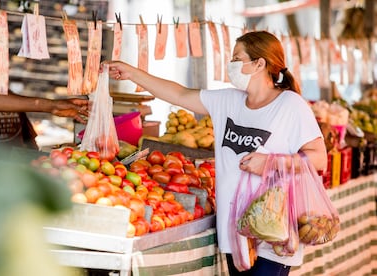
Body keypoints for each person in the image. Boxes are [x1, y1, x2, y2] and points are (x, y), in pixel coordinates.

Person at [104, 30, 327, 276]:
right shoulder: (228, 101)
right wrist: (132, 72)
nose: (231, 66)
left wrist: (271, 162)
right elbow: (178, 94)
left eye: (236, 59)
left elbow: (319, 158)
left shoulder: (291, 106)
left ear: (259, 63)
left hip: (272, 233)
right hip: (235, 231)